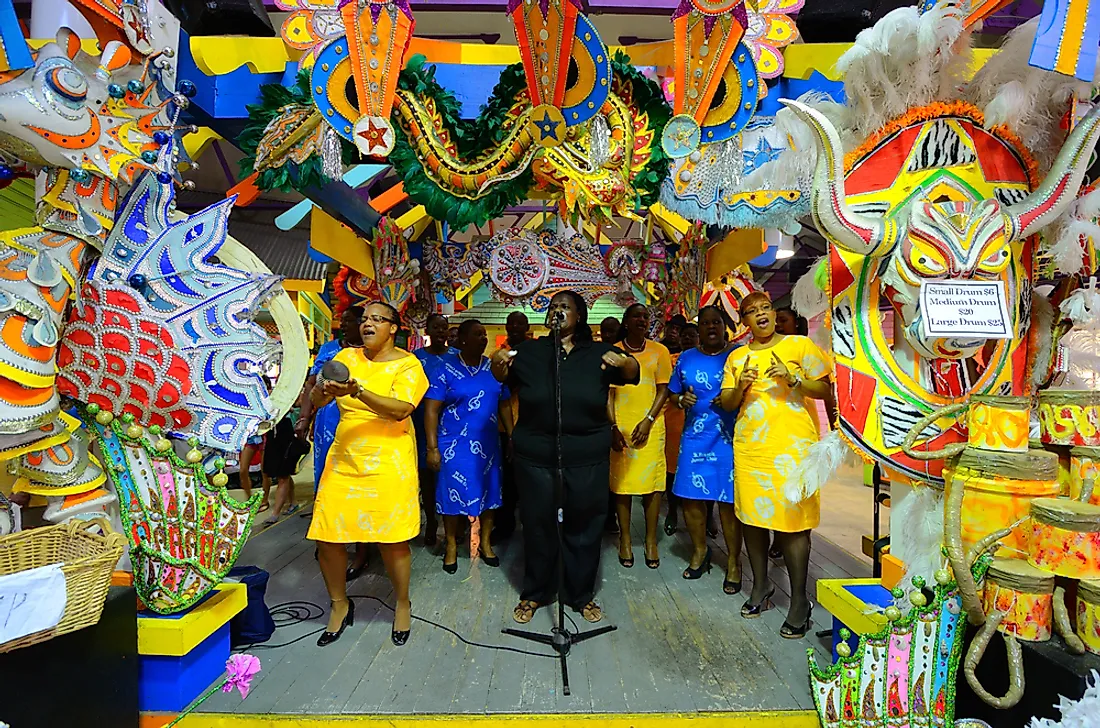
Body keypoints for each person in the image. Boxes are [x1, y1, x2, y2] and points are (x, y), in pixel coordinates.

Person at [491, 291, 639, 625]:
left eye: (565, 307)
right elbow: (502, 377)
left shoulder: (600, 352)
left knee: (585, 526)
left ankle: (580, 594)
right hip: (536, 454)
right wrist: (497, 364)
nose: (558, 311)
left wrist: (626, 362)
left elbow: (631, 373)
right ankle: (535, 592)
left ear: (580, 316)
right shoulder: (529, 351)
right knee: (538, 524)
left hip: (586, 454)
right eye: (553, 307)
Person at [307, 301, 429, 648]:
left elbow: (402, 410)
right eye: (364, 319)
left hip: (389, 459)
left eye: (377, 319)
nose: (367, 324)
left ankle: (402, 603)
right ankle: (339, 605)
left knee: (392, 539)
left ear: (394, 328)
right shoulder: (345, 358)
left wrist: (357, 390)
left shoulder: (409, 364)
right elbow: (318, 401)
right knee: (327, 535)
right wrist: (322, 391)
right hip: (345, 456)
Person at [719, 292, 831, 639]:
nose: (760, 315)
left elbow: (826, 390)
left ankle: (799, 601)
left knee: (794, 524)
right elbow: (726, 403)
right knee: (752, 518)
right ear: (744, 322)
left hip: (793, 448)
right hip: (752, 449)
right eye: (751, 312)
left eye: (764, 308)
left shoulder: (799, 346)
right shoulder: (737, 357)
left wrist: (795, 380)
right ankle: (762, 585)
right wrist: (739, 386)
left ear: (773, 312)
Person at [424, 319, 513, 573]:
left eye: (485, 334)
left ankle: (485, 543)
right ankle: (451, 544)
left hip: (487, 443)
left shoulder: (494, 369)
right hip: (453, 444)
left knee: (490, 492)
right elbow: (431, 410)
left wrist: (511, 436)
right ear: (462, 339)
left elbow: (505, 404)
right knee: (451, 494)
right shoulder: (444, 369)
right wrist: (432, 448)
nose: (483, 339)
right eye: (477, 334)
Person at [668, 307, 742, 592]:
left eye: (716, 322)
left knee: (727, 502)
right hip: (694, 437)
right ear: (698, 330)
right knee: (690, 497)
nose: (711, 327)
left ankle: (734, 562)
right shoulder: (686, 357)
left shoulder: (738, 354)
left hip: (729, 437)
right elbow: (674, 392)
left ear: (725, 327)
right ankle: (700, 551)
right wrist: (679, 400)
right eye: (705, 323)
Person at [297, 305, 367, 577]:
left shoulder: (371, 354)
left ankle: (362, 550)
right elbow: (311, 386)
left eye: (352, 321)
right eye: (345, 321)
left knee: (358, 485)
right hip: (328, 424)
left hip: (358, 424)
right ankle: (329, 540)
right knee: (327, 482)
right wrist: (304, 419)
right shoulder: (328, 349)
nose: (345, 325)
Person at [610, 303, 672, 569]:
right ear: (626, 322)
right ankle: (624, 540)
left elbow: (664, 390)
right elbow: (608, 394)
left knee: (653, 487)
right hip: (621, 424)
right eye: (636, 315)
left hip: (651, 424)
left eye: (646, 316)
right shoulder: (614, 352)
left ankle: (650, 541)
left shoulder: (660, 351)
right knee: (622, 486)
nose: (642, 320)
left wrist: (648, 420)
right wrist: (612, 427)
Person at [414, 313, 452, 546]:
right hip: (421, 425)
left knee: (450, 476)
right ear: (427, 330)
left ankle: (454, 526)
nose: (440, 332)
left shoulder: (457, 357)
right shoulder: (415, 359)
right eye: (435, 328)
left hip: (452, 427)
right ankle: (430, 520)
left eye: (444, 328)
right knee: (427, 476)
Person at [492, 311, 529, 543]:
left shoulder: (533, 353)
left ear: (526, 327)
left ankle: (531, 526)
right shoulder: (497, 354)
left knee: (529, 480)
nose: (514, 327)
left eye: (519, 324)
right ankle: (504, 525)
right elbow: (498, 382)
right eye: (511, 323)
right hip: (504, 427)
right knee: (505, 479)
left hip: (530, 424)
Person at [598, 315, 622, 534]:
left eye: (612, 331)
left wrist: (613, 426)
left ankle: (610, 517)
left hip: (614, 423)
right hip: (596, 424)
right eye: (604, 331)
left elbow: (613, 395)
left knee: (614, 474)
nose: (608, 335)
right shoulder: (595, 356)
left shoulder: (621, 358)